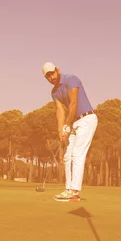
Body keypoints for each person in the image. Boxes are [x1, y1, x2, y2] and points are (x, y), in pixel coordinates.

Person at [42, 62, 98, 202]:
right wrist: (61, 130)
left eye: (52, 73)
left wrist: (66, 125)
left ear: (57, 70)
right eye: (47, 76)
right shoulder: (54, 92)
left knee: (77, 154)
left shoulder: (70, 79)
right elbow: (60, 110)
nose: (51, 77)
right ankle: (68, 189)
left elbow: (74, 103)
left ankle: (74, 191)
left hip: (87, 119)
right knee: (67, 155)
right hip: (74, 122)